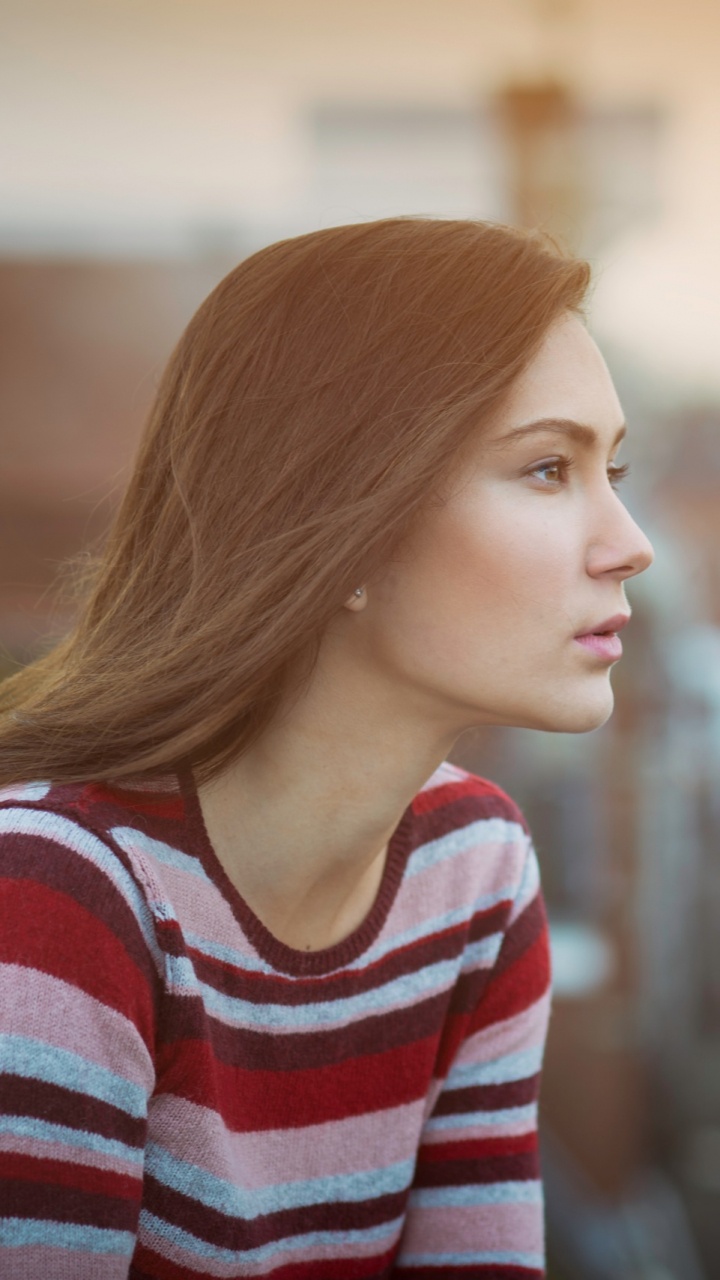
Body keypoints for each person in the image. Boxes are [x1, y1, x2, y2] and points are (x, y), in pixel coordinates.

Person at [0, 216, 654, 1278]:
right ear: (346, 522)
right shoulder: (60, 893)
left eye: (611, 468)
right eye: (546, 468)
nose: (630, 543)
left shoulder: (475, 872)